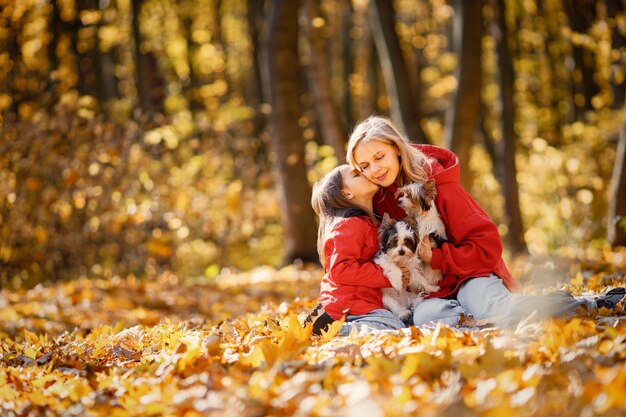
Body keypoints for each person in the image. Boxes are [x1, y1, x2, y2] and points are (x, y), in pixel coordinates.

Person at [346, 115, 625, 327]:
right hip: (430, 293)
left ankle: (592, 304)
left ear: (396, 149)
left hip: (470, 276)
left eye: (379, 157)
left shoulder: (442, 188)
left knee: (496, 310)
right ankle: (482, 327)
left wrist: (439, 257)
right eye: (364, 166)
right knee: (430, 322)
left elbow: (488, 247)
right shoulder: (379, 204)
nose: (375, 169)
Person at [304, 164, 406, 335]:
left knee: (399, 323)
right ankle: (331, 331)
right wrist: (388, 274)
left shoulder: (370, 222)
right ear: (347, 193)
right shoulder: (349, 225)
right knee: (392, 327)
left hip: (364, 303)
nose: (366, 174)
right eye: (357, 174)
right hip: (347, 305)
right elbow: (341, 269)